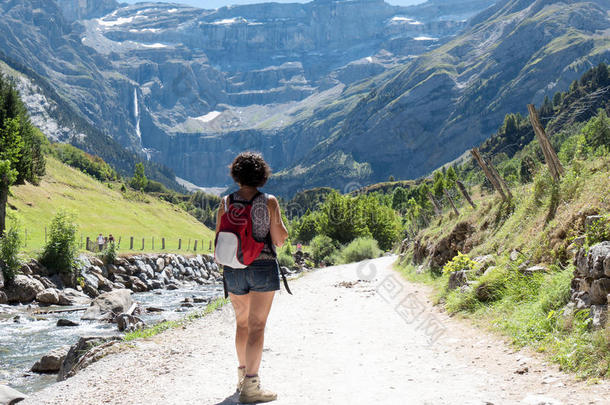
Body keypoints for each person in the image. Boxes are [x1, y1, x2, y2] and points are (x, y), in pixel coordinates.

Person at [216, 152, 288, 403]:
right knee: (257, 326)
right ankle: (252, 387)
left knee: (242, 324)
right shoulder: (269, 201)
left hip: (233, 268)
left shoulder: (225, 202)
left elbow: (219, 240)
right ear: (262, 174)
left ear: (236, 175)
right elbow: (278, 239)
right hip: (262, 266)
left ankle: (241, 378)